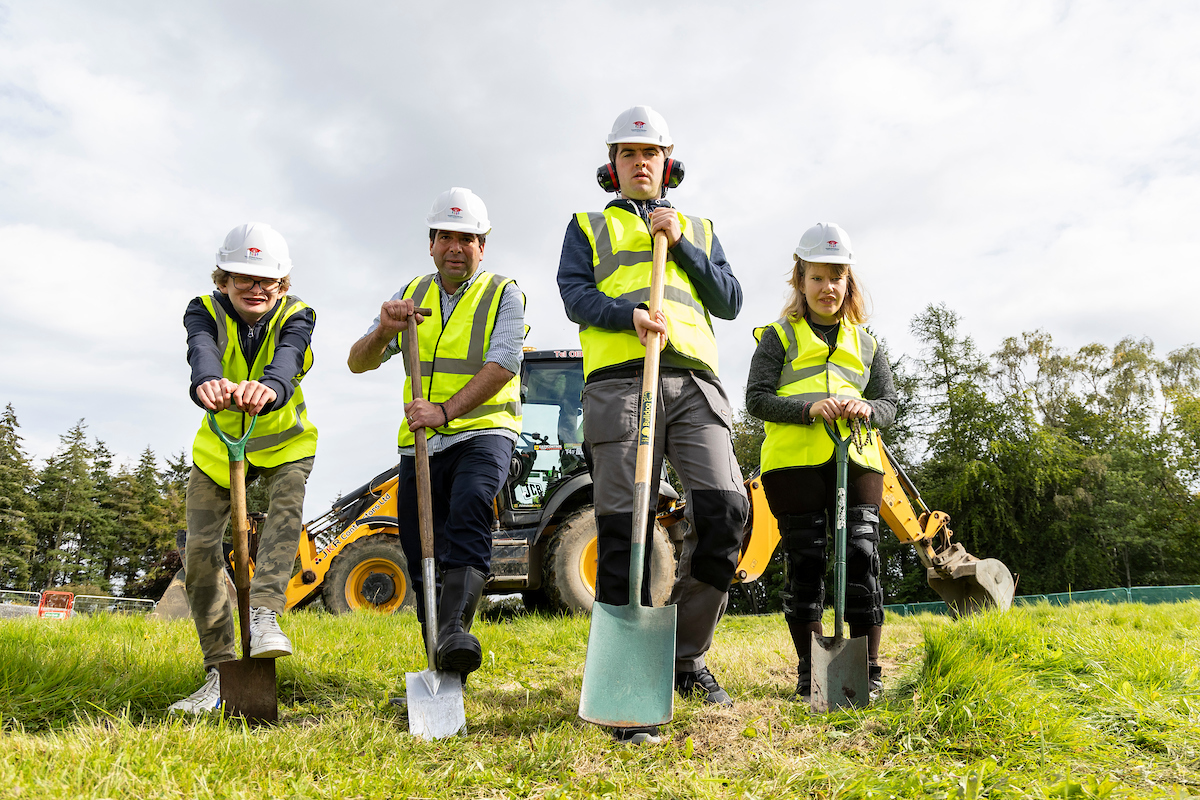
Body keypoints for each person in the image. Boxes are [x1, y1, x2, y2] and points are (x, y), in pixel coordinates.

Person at [557, 106, 749, 744]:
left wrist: (684, 242)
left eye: (652, 153)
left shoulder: (698, 225)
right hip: (620, 381)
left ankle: (684, 654)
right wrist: (627, 315)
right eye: (628, 153)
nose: (641, 163)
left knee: (725, 512)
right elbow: (575, 295)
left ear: (668, 162)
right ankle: (627, 685)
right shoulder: (585, 225)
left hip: (694, 381)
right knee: (624, 526)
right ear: (612, 166)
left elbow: (728, 300)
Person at [348, 187, 525, 682]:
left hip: (484, 430)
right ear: (431, 243)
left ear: (481, 246)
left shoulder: (504, 292)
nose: (455, 247)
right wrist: (384, 330)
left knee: (471, 504)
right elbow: (357, 363)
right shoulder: (410, 296)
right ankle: (442, 660)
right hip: (421, 443)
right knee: (419, 543)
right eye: (446, 236)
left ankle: (454, 634)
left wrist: (444, 410)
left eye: (466, 238)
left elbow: (504, 362)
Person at [745, 222, 897, 702]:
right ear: (800, 280)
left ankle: (868, 671)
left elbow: (890, 402)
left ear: (848, 281)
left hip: (858, 460)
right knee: (806, 563)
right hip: (794, 465)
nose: (827, 287)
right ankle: (811, 670)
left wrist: (870, 409)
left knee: (862, 557)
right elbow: (756, 399)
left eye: (837, 277)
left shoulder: (868, 342)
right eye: (817, 277)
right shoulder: (776, 337)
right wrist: (807, 409)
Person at [170, 222, 318, 714]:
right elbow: (202, 349)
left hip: (283, 444)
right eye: (243, 278)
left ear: (282, 284)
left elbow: (290, 358)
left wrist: (271, 387)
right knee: (199, 554)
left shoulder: (298, 314)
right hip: (220, 450)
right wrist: (208, 381)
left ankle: (264, 615)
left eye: (267, 281)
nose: (257, 289)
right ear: (223, 280)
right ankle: (219, 672)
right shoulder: (203, 309)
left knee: (285, 511)